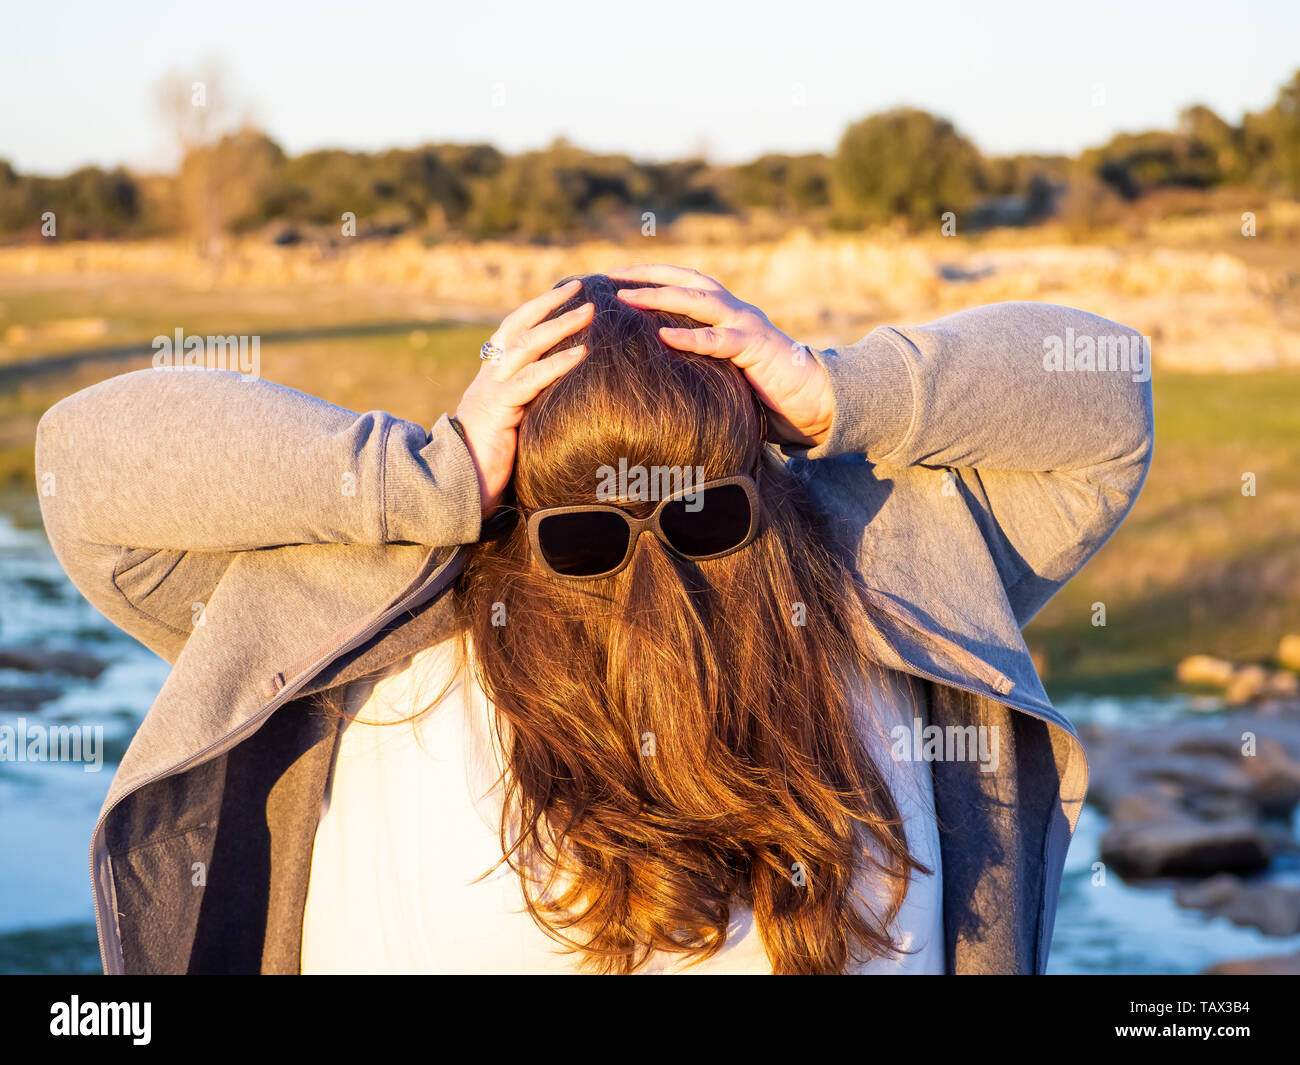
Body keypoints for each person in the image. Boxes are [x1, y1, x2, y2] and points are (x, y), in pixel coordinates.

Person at [35, 265, 1153, 974]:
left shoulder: (372, 626)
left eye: (702, 518)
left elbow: (85, 467)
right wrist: (829, 395)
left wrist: (430, 473)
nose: (649, 570)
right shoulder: (881, 587)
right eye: (586, 531)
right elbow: (1106, 399)